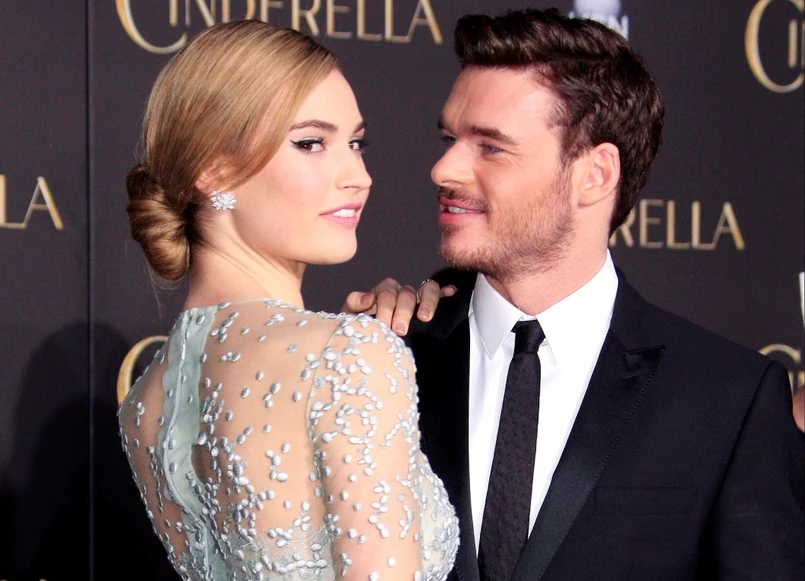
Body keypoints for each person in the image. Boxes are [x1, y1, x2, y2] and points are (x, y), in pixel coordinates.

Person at [345, 8, 805, 581]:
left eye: (490, 147)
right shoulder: (386, 353)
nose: (444, 169)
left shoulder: (727, 399)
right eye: (449, 138)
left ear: (595, 174)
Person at [117, 20, 458, 581]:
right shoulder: (349, 356)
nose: (359, 176)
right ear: (214, 169)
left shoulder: (143, 404)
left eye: (356, 143)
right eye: (311, 143)